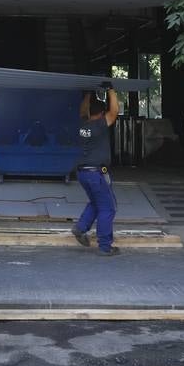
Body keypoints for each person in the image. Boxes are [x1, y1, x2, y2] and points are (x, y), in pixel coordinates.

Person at [72, 81, 120, 256]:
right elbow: (114, 112)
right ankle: (105, 246)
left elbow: (83, 111)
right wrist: (111, 90)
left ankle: (80, 228)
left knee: (96, 203)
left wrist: (87, 94)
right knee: (108, 208)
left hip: (83, 173)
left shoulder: (83, 124)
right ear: (101, 114)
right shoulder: (100, 125)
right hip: (96, 173)